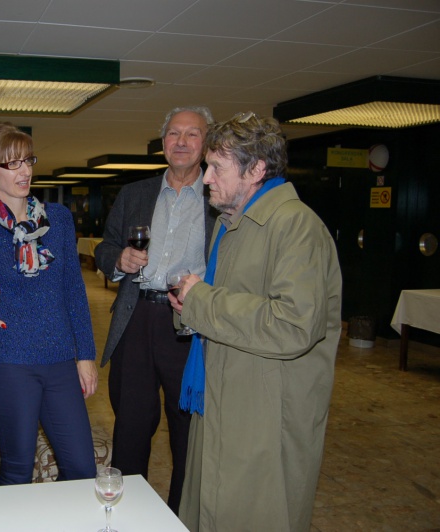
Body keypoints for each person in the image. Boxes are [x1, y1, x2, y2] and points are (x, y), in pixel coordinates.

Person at [170, 111, 341, 531]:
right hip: (220, 400)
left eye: (217, 168)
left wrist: (201, 300)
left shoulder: (297, 227)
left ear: (256, 170)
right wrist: (189, 306)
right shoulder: (229, 224)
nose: (206, 178)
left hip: (265, 416)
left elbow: (294, 325)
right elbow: (227, 308)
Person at [0, 122, 98, 486]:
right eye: (12, 163)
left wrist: (85, 355)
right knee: (18, 472)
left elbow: (73, 289)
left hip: (61, 360)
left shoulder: (59, 219)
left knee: (82, 469)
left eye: (28, 161)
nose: (24, 171)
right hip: (10, 362)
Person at [94, 106, 217, 513]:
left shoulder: (218, 198)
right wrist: (118, 259)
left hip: (190, 323)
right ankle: (128, 515)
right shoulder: (135, 194)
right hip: (137, 318)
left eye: (192, 134)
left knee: (188, 431)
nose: (181, 142)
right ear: (162, 142)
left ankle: (182, 516)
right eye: (173, 134)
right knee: (130, 425)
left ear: (206, 143)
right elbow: (105, 246)